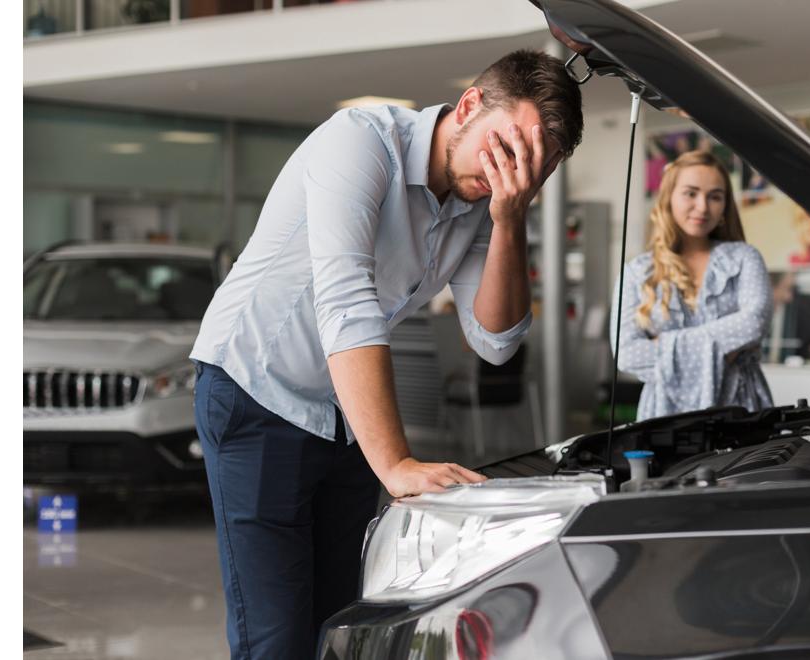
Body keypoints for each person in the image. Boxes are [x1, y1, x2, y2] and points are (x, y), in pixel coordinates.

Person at [188, 50, 583, 659]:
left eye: (533, 168)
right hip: (255, 389)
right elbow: (347, 301)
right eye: (507, 148)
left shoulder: (483, 200)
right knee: (276, 637)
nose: (510, 173)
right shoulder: (359, 142)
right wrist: (395, 462)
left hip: (343, 409)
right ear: (470, 105)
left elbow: (495, 341)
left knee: (337, 625)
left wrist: (509, 219)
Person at [611, 150, 773, 421]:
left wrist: (665, 345)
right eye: (691, 193)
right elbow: (627, 354)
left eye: (715, 196)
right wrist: (724, 349)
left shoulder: (744, 258)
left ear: (725, 205)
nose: (702, 207)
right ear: (669, 197)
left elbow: (754, 322)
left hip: (741, 409)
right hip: (664, 417)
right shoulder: (637, 272)